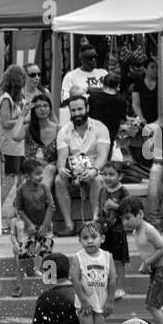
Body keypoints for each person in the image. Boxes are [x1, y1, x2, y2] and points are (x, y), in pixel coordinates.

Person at [54, 93, 110, 235]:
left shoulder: (100, 127)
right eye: (73, 111)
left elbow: (103, 156)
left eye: (80, 109)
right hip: (73, 170)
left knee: (97, 179)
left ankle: (95, 222)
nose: (77, 113)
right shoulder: (64, 131)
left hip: (94, 169)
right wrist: (61, 168)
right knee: (59, 180)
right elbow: (62, 156)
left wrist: (94, 169)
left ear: (87, 108)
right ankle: (69, 225)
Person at [70, 222, 115, 324]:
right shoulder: (78, 258)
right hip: (85, 302)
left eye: (93, 237)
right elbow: (75, 280)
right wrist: (83, 300)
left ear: (102, 238)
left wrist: (110, 300)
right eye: (85, 238)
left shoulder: (107, 257)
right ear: (80, 241)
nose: (89, 240)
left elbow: (112, 279)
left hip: (101, 301)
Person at [10, 159, 53, 297]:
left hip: (45, 227)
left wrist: (45, 225)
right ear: (27, 176)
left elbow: (50, 207)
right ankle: (18, 286)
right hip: (29, 229)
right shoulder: (21, 190)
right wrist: (29, 224)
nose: (41, 176)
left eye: (41, 173)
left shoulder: (44, 188)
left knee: (47, 255)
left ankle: (51, 287)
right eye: (37, 174)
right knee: (23, 257)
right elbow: (20, 209)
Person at [0, 65, 27, 209]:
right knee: (8, 180)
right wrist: (23, 118)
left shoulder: (11, 98)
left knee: (17, 179)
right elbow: (5, 122)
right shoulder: (6, 99)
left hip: (17, 145)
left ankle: (15, 212)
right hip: (9, 145)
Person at [97, 160, 130, 299]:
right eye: (104, 174)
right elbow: (99, 207)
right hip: (105, 230)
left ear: (120, 176)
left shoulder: (123, 191)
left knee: (118, 260)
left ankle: (120, 286)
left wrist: (115, 206)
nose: (107, 177)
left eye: (111, 174)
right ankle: (105, 286)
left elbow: (128, 210)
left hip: (118, 230)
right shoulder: (102, 191)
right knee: (104, 258)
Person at [60, 44, 107, 124]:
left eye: (95, 56)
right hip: (84, 119)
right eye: (90, 58)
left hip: (105, 115)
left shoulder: (103, 73)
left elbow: (114, 91)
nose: (94, 60)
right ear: (81, 60)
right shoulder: (71, 76)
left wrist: (91, 90)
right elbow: (65, 100)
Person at [87, 73, 128, 149]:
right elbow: (123, 119)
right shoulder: (122, 101)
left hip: (91, 137)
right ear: (118, 86)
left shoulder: (92, 98)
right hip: (109, 138)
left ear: (103, 83)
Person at [131, 57, 160, 128]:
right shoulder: (138, 85)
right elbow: (136, 104)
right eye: (152, 67)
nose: (155, 70)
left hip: (160, 119)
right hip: (144, 120)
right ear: (145, 70)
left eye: (157, 67)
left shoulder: (161, 83)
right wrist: (141, 117)